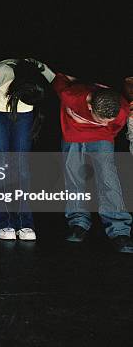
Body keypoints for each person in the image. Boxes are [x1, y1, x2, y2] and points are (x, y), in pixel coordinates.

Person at [54, 72, 133, 253]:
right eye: (101, 120)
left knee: (108, 178)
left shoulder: (121, 110)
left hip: (102, 137)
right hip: (73, 135)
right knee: (74, 176)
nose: (105, 122)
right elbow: (58, 79)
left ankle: (119, 229)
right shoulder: (71, 95)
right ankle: (78, 221)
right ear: (89, 106)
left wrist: (102, 129)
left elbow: (113, 128)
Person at [0, 58, 56, 240]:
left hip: (24, 114)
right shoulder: (4, 72)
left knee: (21, 167)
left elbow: (56, 81)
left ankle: (25, 223)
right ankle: (5, 221)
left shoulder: (41, 69)